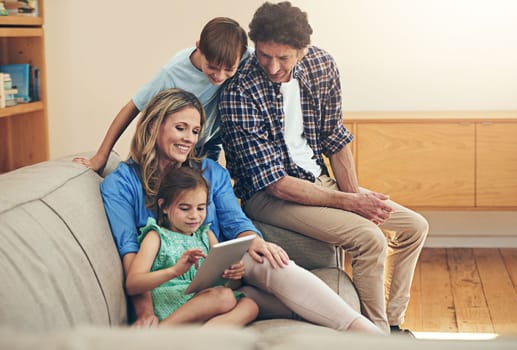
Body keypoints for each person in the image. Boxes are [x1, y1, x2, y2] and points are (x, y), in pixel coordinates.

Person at [219, 1, 429, 335]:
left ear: (302, 51)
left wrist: (354, 197)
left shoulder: (321, 65)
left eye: (283, 58)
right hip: (269, 196)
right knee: (369, 239)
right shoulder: (240, 89)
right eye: (263, 55)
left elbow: (335, 139)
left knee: (414, 227)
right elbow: (274, 183)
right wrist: (352, 204)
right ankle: (376, 337)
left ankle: (393, 322)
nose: (272, 67)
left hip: (317, 180)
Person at [101, 88, 382, 334]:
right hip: (168, 281)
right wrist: (145, 313)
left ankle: (362, 330)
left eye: (195, 131)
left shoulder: (210, 172)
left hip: (219, 268)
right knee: (258, 300)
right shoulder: (121, 184)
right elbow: (130, 252)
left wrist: (254, 239)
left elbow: (234, 221)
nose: (188, 139)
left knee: (271, 261)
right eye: (180, 128)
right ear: (153, 127)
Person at [74, 16, 250, 171]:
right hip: (166, 146)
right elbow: (132, 107)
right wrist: (101, 157)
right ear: (198, 48)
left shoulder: (242, 55)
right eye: (212, 67)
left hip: (205, 143)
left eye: (228, 69)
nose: (219, 76)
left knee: (204, 191)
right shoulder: (172, 73)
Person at [126, 165, 258, 326]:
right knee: (224, 297)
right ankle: (162, 331)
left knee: (250, 306)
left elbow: (223, 283)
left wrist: (233, 274)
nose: (194, 216)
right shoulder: (156, 236)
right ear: (164, 206)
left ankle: (202, 338)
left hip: (201, 300)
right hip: (171, 302)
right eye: (184, 208)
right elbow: (133, 284)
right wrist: (173, 271)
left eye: (201, 208)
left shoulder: (206, 235)